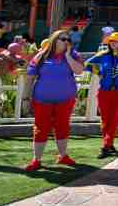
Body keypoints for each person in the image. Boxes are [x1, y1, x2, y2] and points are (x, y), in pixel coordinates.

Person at [23, 30, 85, 171]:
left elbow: (79, 71)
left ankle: (63, 156)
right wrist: (25, 98)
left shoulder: (73, 55)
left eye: (67, 39)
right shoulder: (41, 56)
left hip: (65, 99)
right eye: (62, 39)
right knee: (41, 129)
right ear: (54, 40)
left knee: (62, 126)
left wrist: (68, 55)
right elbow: (30, 78)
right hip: (42, 100)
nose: (65, 42)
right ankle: (36, 160)